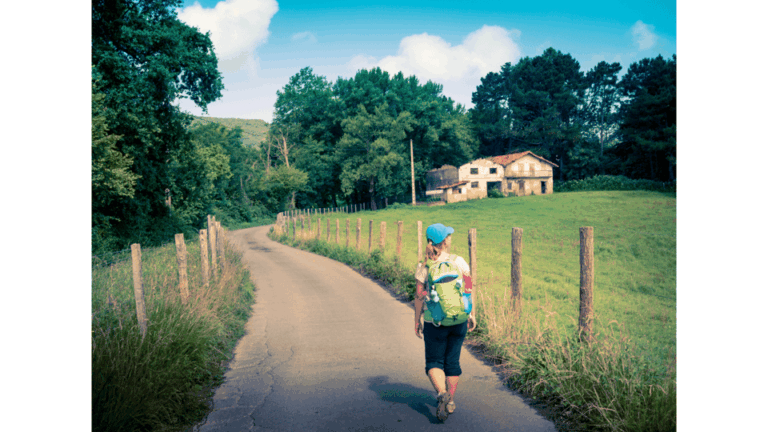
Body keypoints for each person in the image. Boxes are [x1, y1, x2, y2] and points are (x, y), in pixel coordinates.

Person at [414, 223, 476, 422]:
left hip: (435, 321)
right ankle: (450, 402)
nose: (450, 237)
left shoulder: (424, 266)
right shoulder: (459, 261)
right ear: (445, 241)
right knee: (452, 362)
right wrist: (471, 313)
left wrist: (417, 320)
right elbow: (468, 287)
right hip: (459, 319)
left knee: (434, 361)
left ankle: (442, 393)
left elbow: (419, 295)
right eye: (448, 235)